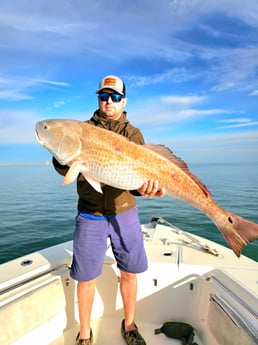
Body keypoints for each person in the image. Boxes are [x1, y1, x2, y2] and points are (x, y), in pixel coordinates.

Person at [53, 75, 165, 345]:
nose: (109, 101)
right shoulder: (81, 129)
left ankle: (129, 325)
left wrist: (147, 189)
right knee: (85, 277)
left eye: (115, 96)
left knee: (129, 272)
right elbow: (64, 165)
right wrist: (60, 156)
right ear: (98, 99)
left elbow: (137, 180)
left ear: (124, 101)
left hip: (124, 212)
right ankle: (84, 334)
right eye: (104, 96)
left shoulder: (133, 134)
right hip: (90, 213)